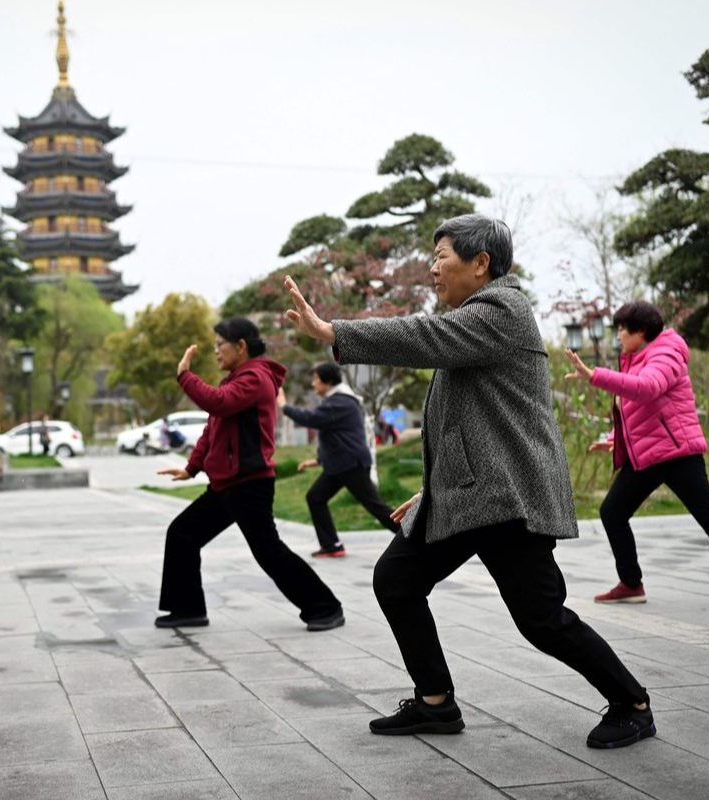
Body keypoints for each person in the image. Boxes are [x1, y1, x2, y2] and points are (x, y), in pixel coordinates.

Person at [286, 213, 654, 750]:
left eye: (441, 257)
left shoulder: (503, 309)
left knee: (541, 619)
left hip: (506, 497)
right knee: (397, 580)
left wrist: (333, 332)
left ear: (481, 264)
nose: (432, 269)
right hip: (465, 494)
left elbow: (422, 334)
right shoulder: (473, 320)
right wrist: (431, 488)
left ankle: (633, 702)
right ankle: (435, 702)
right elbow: (464, 423)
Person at [565, 301, 709, 614]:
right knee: (612, 512)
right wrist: (616, 439)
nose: (617, 335)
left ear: (641, 331)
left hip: (677, 454)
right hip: (648, 455)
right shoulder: (633, 357)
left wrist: (595, 375)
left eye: (621, 329)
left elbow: (646, 389)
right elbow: (639, 411)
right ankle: (631, 584)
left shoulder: (667, 353)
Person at [154, 317, 346, 632]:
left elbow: (217, 403)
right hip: (227, 484)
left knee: (268, 551)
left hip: (249, 483)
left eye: (220, 346)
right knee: (182, 534)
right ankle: (187, 609)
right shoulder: (236, 379)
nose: (216, 352)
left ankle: (325, 607)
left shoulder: (256, 378)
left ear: (241, 346)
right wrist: (192, 467)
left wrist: (185, 376)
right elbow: (213, 427)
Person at [276, 362, 399, 557]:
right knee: (315, 497)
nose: (313, 384)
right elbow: (337, 437)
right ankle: (332, 545)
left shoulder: (340, 402)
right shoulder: (337, 402)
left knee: (376, 507)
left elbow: (311, 419)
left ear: (328, 381)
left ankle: (413, 539)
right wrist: (317, 460)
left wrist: (284, 407)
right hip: (341, 465)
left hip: (350, 465)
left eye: (316, 379)